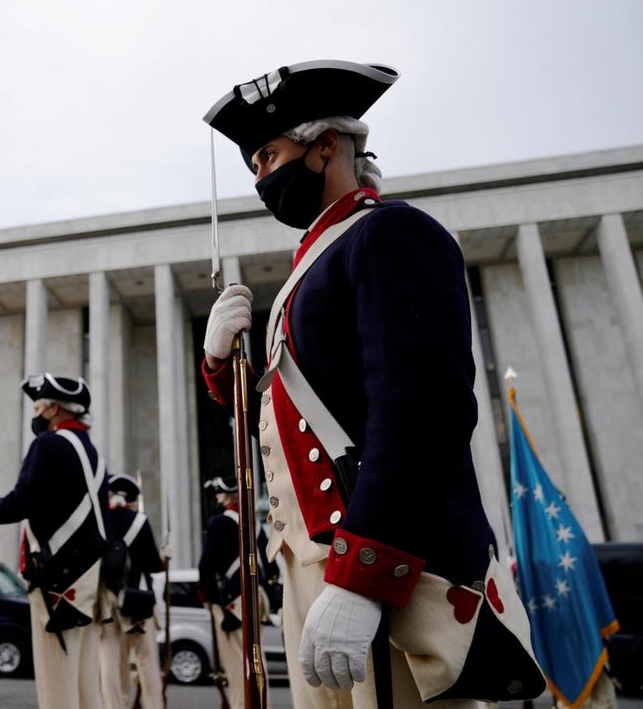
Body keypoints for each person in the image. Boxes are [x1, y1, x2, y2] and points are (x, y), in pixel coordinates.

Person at [201, 60, 542, 708]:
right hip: (309, 570)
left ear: (327, 144)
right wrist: (221, 366)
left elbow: (420, 413)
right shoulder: (306, 276)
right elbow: (280, 429)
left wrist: (362, 575)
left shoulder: (391, 235)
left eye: (269, 154)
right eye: (252, 166)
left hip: (380, 563)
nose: (261, 177)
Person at [0, 374, 111, 709]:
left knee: (57, 685)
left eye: (38, 406)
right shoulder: (91, 451)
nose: (35, 414)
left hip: (57, 580)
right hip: (86, 580)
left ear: (54, 408)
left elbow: (22, 501)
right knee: (86, 684)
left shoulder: (49, 444)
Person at [196, 476, 265, 709]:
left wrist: (213, 599)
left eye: (218, 494)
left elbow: (206, 566)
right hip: (257, 596)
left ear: (226, 497)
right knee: (256, 658)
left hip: (232, 601)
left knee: (237, 665)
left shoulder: (219, 523)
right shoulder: (253, 523)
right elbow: (270, 565)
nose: (216, 498)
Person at [98, 473, 166, 709]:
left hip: (106, 598)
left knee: (110, 660)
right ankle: (154, 704)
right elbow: (153, 564)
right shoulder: (138, 521)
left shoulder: (101, 520)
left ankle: (114, 705)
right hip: (137, 596)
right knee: (146, 659)